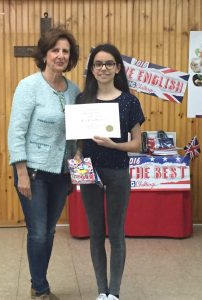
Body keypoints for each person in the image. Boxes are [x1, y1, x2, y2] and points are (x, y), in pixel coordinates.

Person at [7, 27, 80, 300]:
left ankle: (39, 282)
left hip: (61, 173)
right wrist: (21, 173)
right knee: (38, 233)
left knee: (49, 232)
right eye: (55, 50)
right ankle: (40, 289)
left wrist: (77, 162)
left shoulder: (74, 90)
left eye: (65, 51)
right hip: (33, 172)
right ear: (45, 54)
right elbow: (16, 131)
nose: (60, 55)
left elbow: (76, 132)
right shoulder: (29, 86)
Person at [74, 44, 145, 300]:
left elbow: (137, 143)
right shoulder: (82, 100)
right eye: (97, 64)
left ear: (117, 68)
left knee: (116, 233)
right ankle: (100, 290)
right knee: (95, 233)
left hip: (117, 172)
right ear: (91, 69)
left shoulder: (129, 101)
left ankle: (114, 293)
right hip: (89, 173)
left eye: (108, 63)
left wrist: (114, 145)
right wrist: (78, 153)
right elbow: (78, 142)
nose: (103, 68)